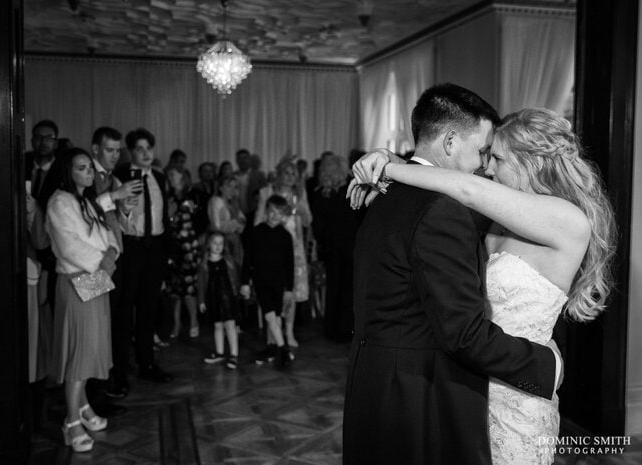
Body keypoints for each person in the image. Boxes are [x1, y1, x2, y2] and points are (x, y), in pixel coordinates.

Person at [349, 106, 616, 465]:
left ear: (530, 162)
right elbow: (450, 186)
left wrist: (390, 168)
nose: (488, 168)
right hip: (467, 386)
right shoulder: (499, 218)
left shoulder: (567, 219)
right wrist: (392, 162)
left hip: (519, 390)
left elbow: (467, 188)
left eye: (498, 158)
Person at [46, 148, 119, 452]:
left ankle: (84, 407)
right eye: (81, 168)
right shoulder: (59, 203)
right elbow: (67, 245)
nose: (89, 172)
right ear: (67, 171)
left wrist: (112, 251)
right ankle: (72, 420)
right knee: (79, 352)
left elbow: (106, 233)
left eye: (90, 167)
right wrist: (101, 259)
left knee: (91, 348)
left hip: (96, 281)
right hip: (77, 281)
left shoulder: (85, 201)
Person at [114, 128, 174, 384]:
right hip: (131, 247)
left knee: (150, 307)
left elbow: (164, 216)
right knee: (125, 309)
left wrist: (167, 251)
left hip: (155, 247)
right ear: (131, 152)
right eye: (140, 148)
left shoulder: (160, 177)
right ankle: (119, 368)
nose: (146, 153)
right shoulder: (120, 176)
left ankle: (147, 363)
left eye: (149, 147)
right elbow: (114, 215)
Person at [88, 126, 142, 401]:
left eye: (118, 150)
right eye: (109, 150)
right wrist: (115, 197)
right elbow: (84, 210)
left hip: (116, 261)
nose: (114, 155)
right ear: (95, 149)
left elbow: (114, 221)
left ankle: (114, 381)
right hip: (93, 266)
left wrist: (126, 207)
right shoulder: (86, 174)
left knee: (118, 322)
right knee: (97, 325)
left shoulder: (112, 179)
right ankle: (95, 392)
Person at [255, 157, 311, 347]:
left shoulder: (300, 195)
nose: (290, 177)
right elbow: (258, 222)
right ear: (279, 174)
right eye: (286, 173)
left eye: (293, 174)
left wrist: (300, 211)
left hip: (294, 249)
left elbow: (308, 221)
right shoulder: (267, 193)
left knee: (291, 291)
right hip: (272, 248)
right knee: (274, 290)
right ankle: (274, 334)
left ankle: (289, 332)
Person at [310, 154, 362, 341]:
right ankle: (340, 328)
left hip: (342, 247)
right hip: (343, 247)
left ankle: (338, 328)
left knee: (340, 287)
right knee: (342, 288)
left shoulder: (333, 192)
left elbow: (319, 225)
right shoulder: (329, 192)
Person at [241, 195, 295, 368]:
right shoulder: (256, 232)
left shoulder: (285, 236)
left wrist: (289, 288)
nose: (275, 216)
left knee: (276, 317)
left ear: (284, 215)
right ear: (266, 211)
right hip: (260, 280)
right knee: (269, 315)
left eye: (279, 213)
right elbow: (247, 259)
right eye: (272, 212)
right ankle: (283, 349)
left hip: (279, 282)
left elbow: (290, 264)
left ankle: (273, 347)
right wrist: (244, 282)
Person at [164, 165, 200, 339]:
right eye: (169, 174)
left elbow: (195, 219)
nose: (170, 177)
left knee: (189, 288)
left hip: (188, 247)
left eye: (174, 173)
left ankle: (194, 321)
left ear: (183, 177)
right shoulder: (168, 197)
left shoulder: (191, 195)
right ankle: (176, 323)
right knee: (174, 290)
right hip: (173, 247)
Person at [197, 232, 241, 370]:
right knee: (217, 326)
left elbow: (235, 279)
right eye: (215, 243)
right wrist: (202, 301)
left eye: (221, 244)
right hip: (213, 298)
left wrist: (237, 293)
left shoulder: (228, 261)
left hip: (227, 298)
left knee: (230, 325)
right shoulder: (204, 263)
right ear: (209, 244)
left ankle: (234, 355)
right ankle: (219, 352)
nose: (218, 246)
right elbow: (201, 284)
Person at [208, 174, 246, 267]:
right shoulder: (216, 201)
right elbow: (216, 226)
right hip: (221, 243)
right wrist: (235, 223)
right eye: (229, 186)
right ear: (221, 187)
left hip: (235, 243)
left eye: (235, 187)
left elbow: (243, 221)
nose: (232, 190)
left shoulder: (233, 203)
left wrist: (235, 223)